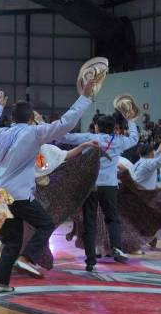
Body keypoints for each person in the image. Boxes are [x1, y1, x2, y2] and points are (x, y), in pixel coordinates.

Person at [0, 80, 94, 292]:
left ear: (12, 118)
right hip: (18, 195)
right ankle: (27, 257)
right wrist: (86, 97)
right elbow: (66, 122)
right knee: (45, 224)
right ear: (32, 118)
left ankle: (0, 284)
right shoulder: (35, 133)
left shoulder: (3, 134)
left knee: (10, 242)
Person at [60, 111, 140, 272]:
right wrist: (131, 121)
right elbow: (134, 138)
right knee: (112, 219)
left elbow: (65, 137)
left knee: (89, 222)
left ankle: (90, 261)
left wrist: (46, 126)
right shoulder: (118, 141)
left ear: (96, 127)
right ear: (114, 128)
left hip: (91, 186)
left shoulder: (88, 138)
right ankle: (117, 247)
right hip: (110, 186)